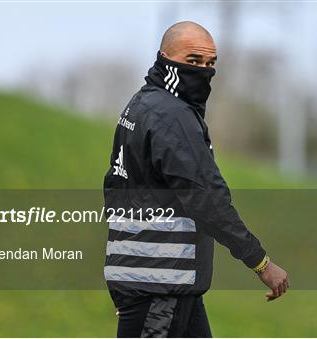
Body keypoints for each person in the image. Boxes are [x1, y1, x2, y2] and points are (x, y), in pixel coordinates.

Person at [103, 21, 289, 338]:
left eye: (210, 63)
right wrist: (261, 263)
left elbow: (115, 189)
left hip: (158, 286)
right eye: (192, 61)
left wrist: (124, 281)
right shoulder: (172, 117)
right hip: (161, 287)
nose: (203, 72)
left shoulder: (140, 104)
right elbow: (209, 200)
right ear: (164, 56)